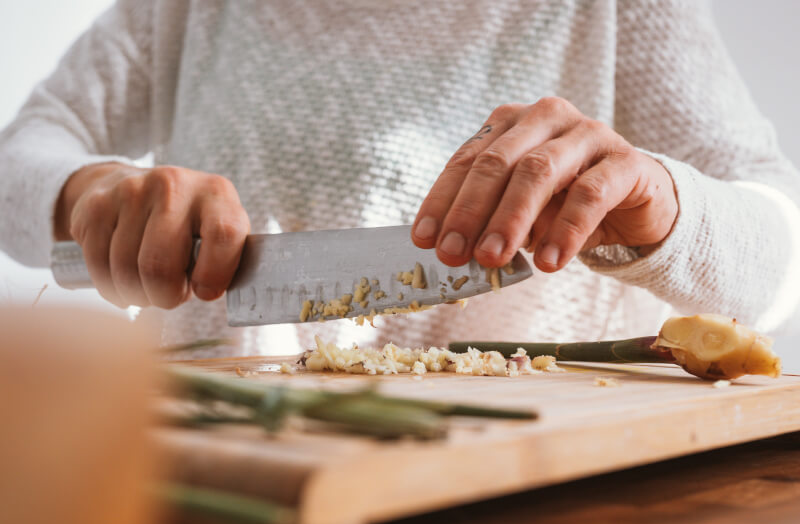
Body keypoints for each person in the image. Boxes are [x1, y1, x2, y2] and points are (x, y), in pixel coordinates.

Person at [1, 0, 799, 356]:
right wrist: (86, 192)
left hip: (528, 509)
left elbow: (782, 269)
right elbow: (19, 156)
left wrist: (665, 208)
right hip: (226, 480)